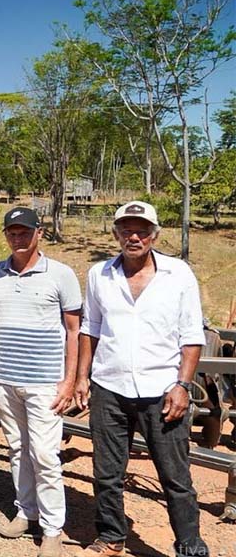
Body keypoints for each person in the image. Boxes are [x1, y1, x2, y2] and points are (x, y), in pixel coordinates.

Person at [75, 201, 210, 557]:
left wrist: (182, 385)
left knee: (175, 476)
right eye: (126, 229)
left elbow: (191, 335)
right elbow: (90, 328)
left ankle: (189, 544)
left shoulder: (177, 273)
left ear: (154, 234)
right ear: (116, 233)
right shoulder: (98, 274)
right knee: (106, 473)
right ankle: (111, 536)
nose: (134, 236)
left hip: (162, 390)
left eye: (142, 230)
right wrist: (82, 377)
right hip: (110, 388)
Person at [0, 207, 81, 557]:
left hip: (45, 383)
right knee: (18, 449)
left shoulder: (61, 274)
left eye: (25, 232)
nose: (18, 238)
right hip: (5, 379)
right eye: (12, 232)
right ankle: (25, 511)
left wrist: (69, 381)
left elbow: (74, 331)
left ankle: (53, 528)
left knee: (45, 453)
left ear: (39, 232)